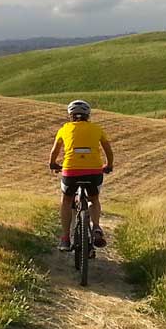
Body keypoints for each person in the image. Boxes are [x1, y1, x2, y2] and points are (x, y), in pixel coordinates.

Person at [48, 99, 113, 250]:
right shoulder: (97, 129)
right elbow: (108, 150)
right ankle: (96, 227)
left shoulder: (64, 129)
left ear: (70, 115)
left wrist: (53, 164)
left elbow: (55, 151)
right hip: (94, 172)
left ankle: (65, 238)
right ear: (88, 115)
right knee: (94, 199)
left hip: (71, 171)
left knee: (66, 200)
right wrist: (109, 165)